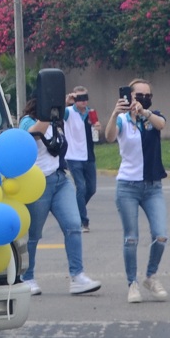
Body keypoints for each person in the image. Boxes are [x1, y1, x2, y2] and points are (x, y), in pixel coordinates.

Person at [19, 98, 101, 297]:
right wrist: (47, 114)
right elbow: (30, 137)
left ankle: (77, 276)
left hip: (60, 179)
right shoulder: (28, 121)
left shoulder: (56, 122)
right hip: (37, 183)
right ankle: (27, 277)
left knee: (73, 225)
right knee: (34, 233)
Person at [104, 78, 169, 304]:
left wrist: (145, 112)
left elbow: (161, 124)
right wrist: (114, 114)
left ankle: (150, 277)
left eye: (147, 95)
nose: (143, 98)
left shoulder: (153, 116)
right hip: (128, 187)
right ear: (129, 96)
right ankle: (132, 283)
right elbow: (109, 136)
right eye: (139, 95)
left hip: (153, 186)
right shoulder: (122, 119)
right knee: (131, 238)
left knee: (160, 235)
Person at [63, 85, 97, 231]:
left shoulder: (91, 113)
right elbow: (57, 114)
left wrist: (97, 127)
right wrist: (66, 101)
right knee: (81, 187)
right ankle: (83, 221)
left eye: (85, 98)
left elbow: (95, 130)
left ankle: (76, 210)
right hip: (73, 154)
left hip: (88, 154)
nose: (83, 102)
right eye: (79, 98)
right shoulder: (68, 112)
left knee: (91, 188)